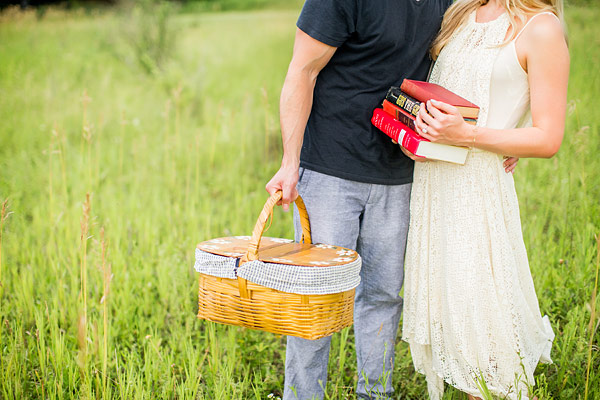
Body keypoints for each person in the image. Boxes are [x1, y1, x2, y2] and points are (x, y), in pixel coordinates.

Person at [261, 0, 504, 398]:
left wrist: (504, 131)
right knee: (317, 296)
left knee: (384, 295)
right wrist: (290, 163)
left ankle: (375, 393)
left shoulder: (450, 3)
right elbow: (301, 72)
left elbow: (482, 60)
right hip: (329, 168)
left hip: (400, 171)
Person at [400, 0, 569, 398]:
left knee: (484, 316)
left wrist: (470, 136)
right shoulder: (459, 13)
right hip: (434, 183)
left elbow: (548, 138)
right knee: (453, 309)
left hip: (478, 189)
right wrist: (418, 134)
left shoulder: (541, 28)